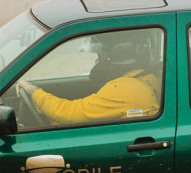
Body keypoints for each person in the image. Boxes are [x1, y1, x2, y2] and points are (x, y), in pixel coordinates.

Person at [17, 41, 161, 125]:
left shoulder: (123, 89)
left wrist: (31, 89)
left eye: (99, 58)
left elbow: (66, 112)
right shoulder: (146, 78)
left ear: (111, 60)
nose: (96, 63)